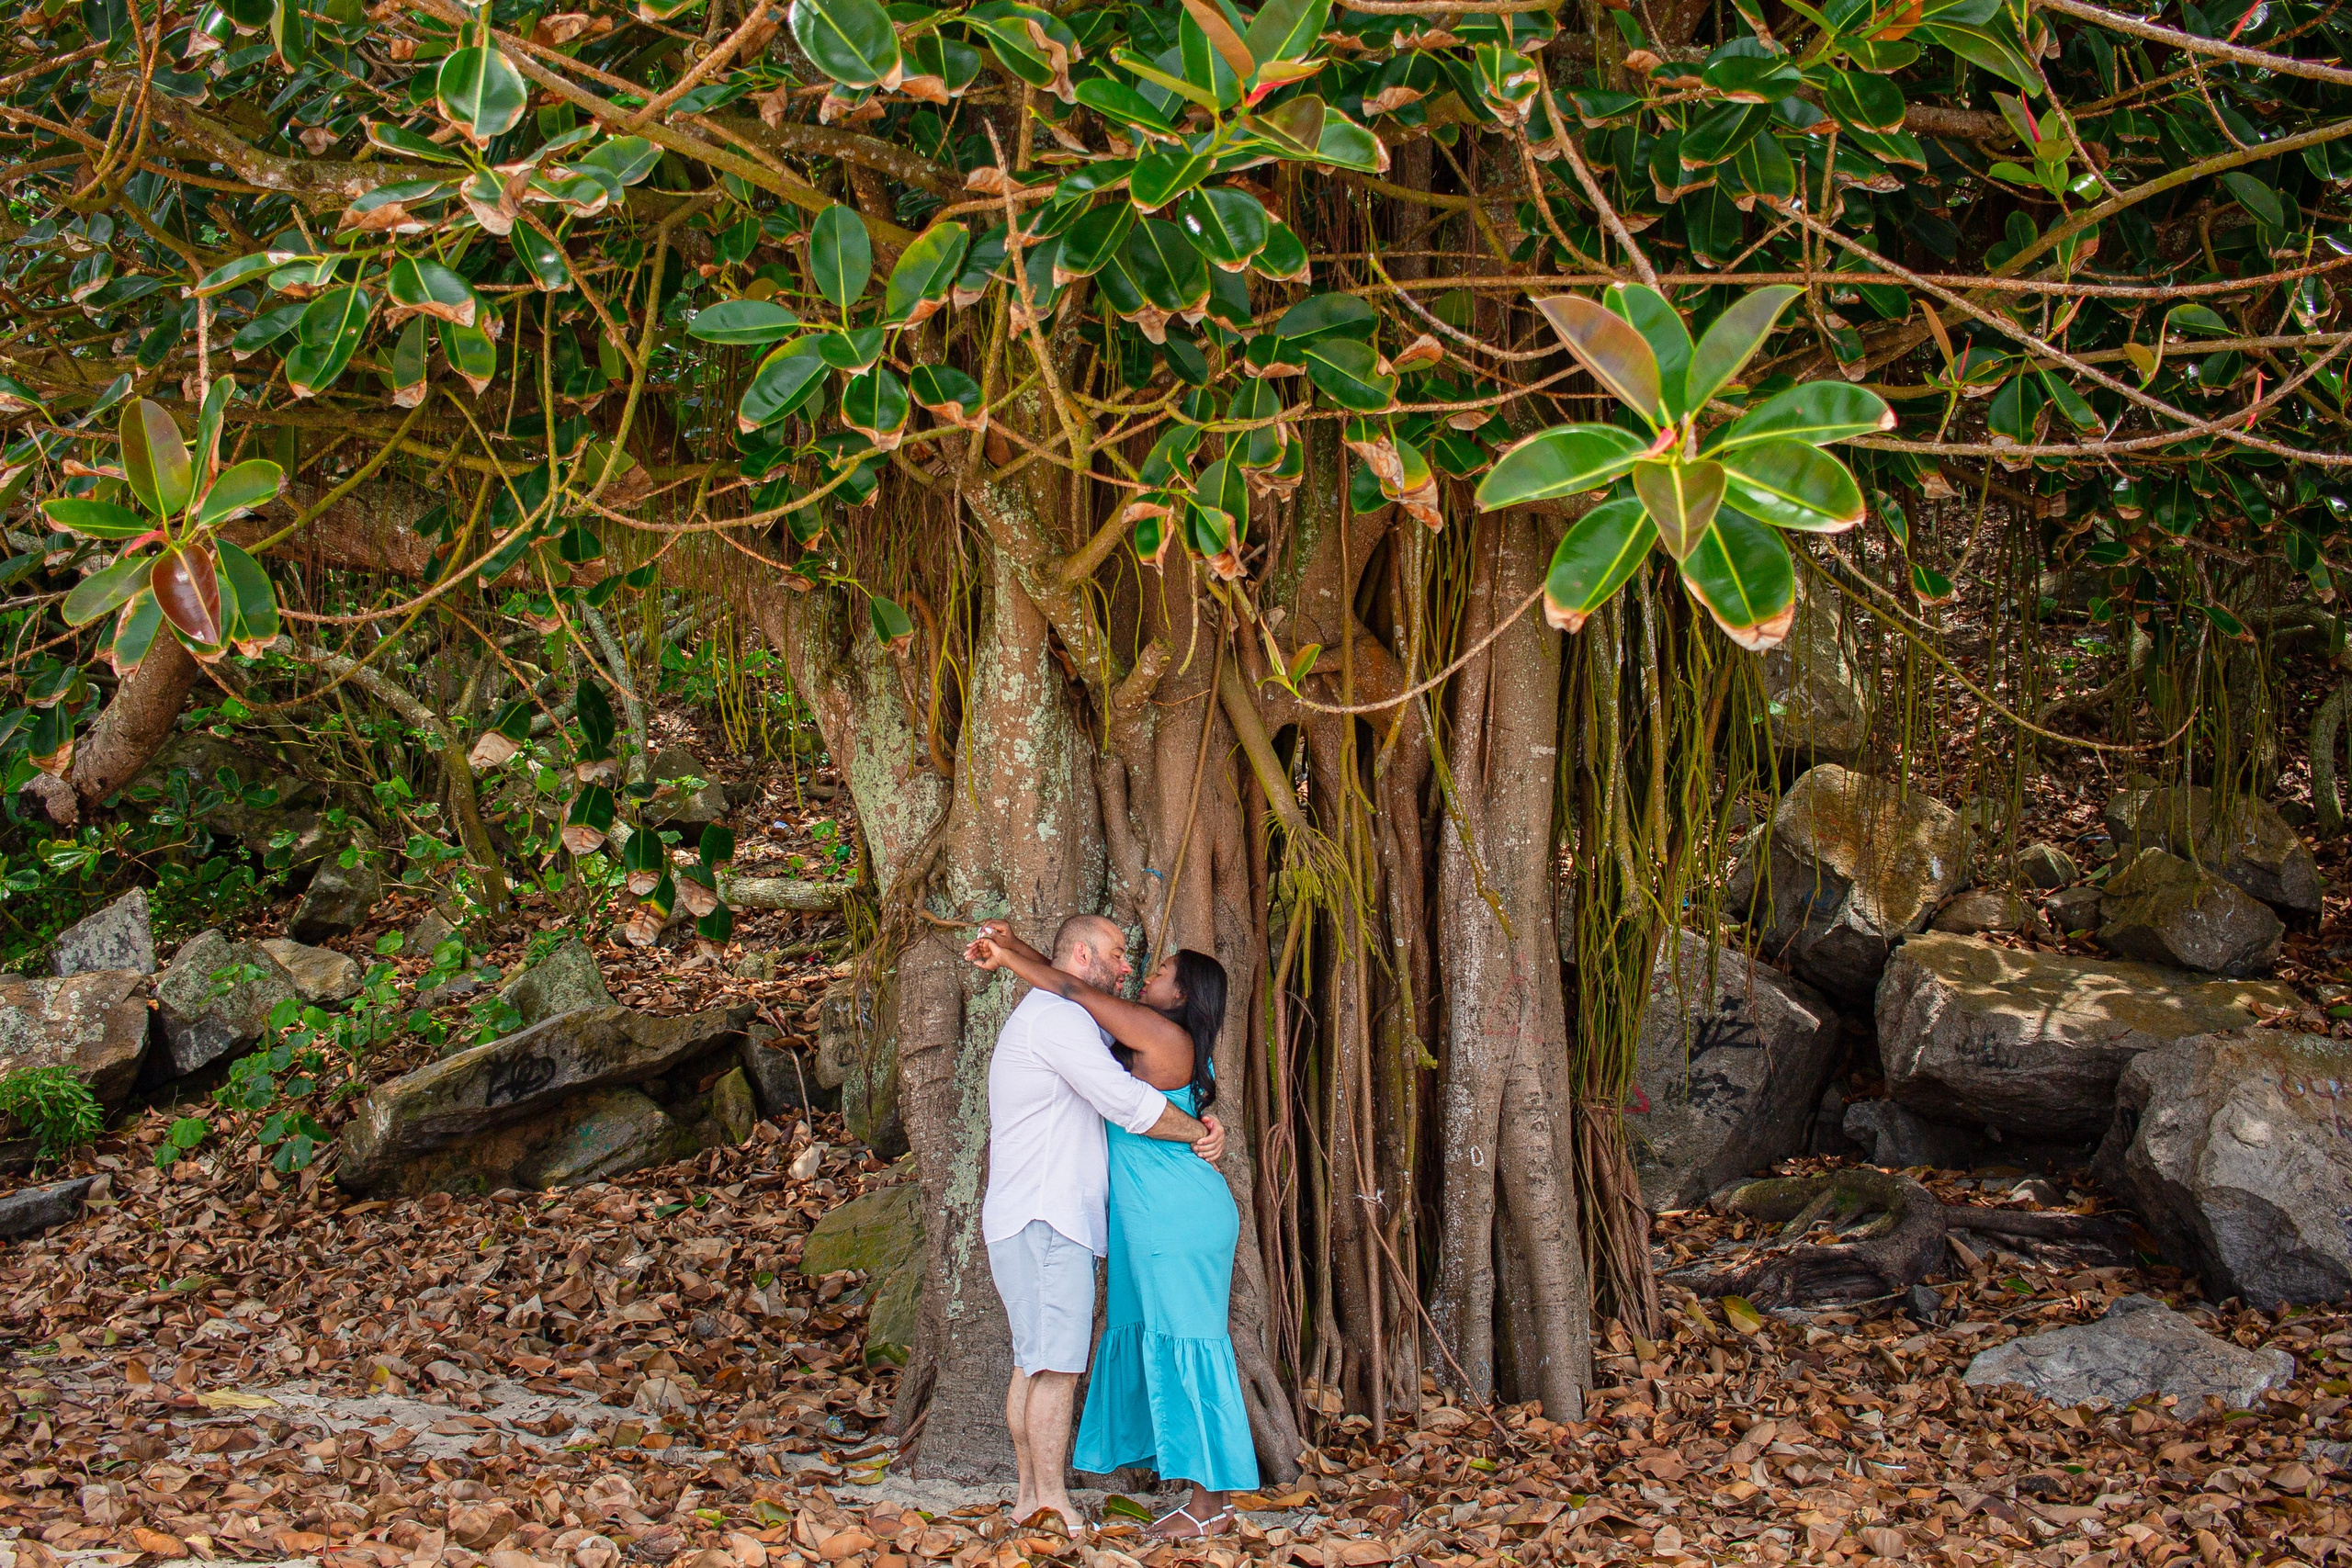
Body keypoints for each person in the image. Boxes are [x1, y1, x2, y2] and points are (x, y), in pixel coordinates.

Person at [967, 918, 1260, 1540]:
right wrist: (1009, 943)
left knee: (1191, 1342)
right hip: (1147, 1213)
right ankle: (1075, 1498)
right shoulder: (1119, 1025)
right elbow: (1067, 982)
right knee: (1156, 1338)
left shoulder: (1155, 1030)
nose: (1140, 971)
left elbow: (1071, 987)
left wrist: (1203, 1133)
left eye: (1156, 971)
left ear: (1180, 996)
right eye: (1128, 959)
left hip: (1177, 1209)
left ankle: (1212, 1506)